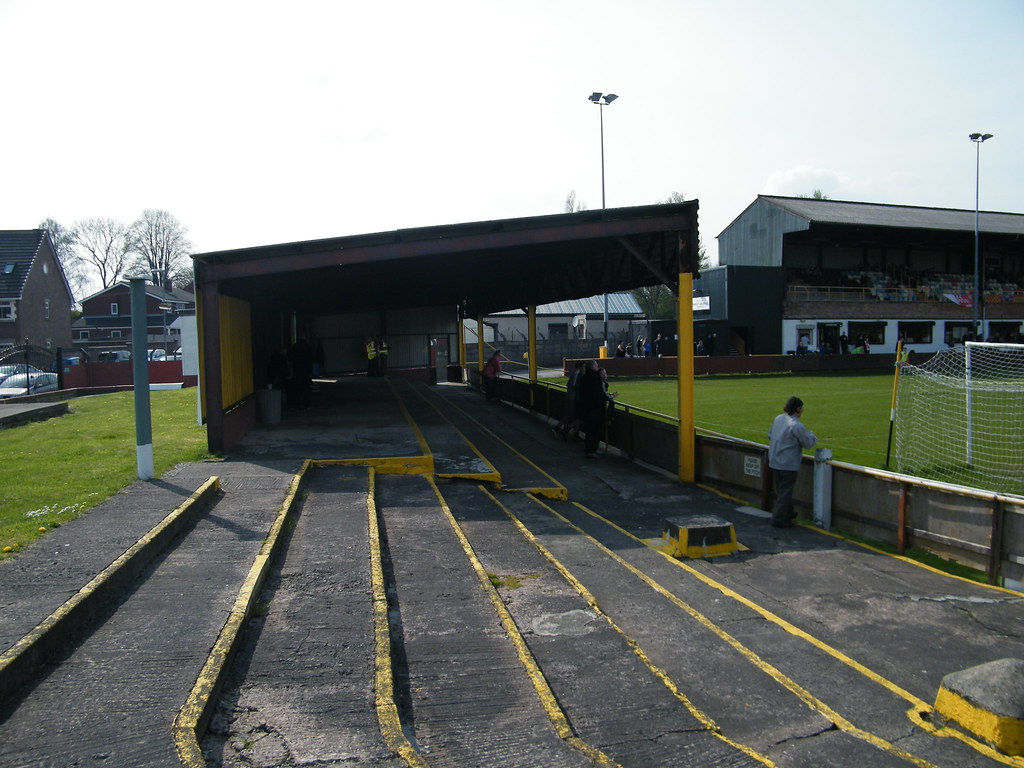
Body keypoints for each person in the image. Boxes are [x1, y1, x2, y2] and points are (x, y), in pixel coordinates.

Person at [767, 396, 817, 528]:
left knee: (781, 491)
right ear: (798, 409)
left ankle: (788, 513)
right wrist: (812, 435)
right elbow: (808, 443)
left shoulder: (778, 419)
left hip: (774, 460)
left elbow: (770, 434)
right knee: (785, 492)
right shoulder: (796, 425)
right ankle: (778, 519)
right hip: (788, 464)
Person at [577, 360, 607, 457]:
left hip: (586, 408)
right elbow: (598, 394)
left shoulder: (584, 377)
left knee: (589, 431)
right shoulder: (595, 378)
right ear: (593, 367)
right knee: (595, 431)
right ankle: (592, 451)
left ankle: (589, 450)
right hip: (595, 409)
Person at [553, 360, 584, 438]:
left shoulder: (574, 373)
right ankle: (558, 428)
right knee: (569, 414)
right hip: (572, 397)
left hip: (570, 396)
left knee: (571, 415)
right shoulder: (577, 374)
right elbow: (574, 385)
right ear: (580, 367)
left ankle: (564, 429)